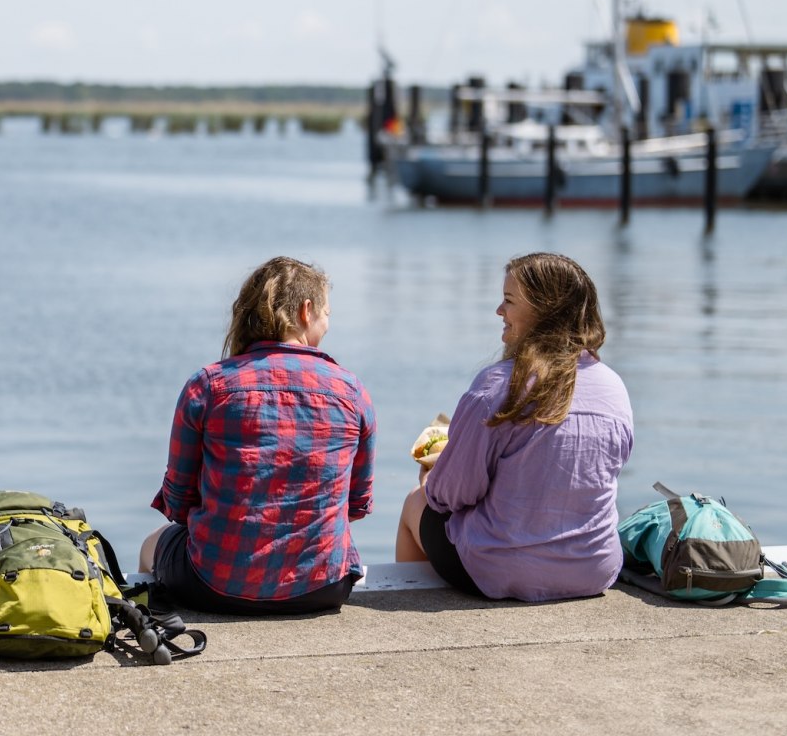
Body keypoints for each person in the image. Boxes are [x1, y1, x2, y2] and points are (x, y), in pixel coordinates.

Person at [139, 256, 375, 615]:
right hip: (323, 587)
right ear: (306, 311)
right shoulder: (352, 391)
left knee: (150, 546)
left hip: (215, 585)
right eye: (327, 313)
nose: (327, 323)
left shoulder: (208, 386)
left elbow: (177, 502)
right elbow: (356, 504)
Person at [397, 252, 633, 601]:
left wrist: (431, 478)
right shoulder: (614, 387)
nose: (499, 311)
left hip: (498, 570)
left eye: (508, 301)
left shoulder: (494, 386)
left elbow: (451, 495)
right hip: (592, 570)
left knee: (415, 504)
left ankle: (407, 602)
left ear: (544, 311)